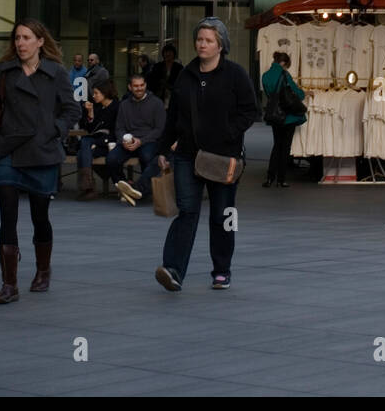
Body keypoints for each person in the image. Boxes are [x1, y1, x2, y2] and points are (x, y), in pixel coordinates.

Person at [0, 19, 78, 303]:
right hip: (8, 152)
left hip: (41, 153)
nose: (21, 43)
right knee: (7, 218)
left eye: (27, 37)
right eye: (17, 38)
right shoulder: (4, 72)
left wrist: (54, 130)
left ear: (40, 42)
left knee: (40, 217)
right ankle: (9, 284)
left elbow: (71, 109)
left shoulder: (57, 73)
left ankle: (43, 270)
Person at [155, 17, 258, 292]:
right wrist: (164, 149)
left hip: (223, 158)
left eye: (208, 40)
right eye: (199, 39)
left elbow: (251, 111)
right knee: (186, 211)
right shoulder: (185, 75)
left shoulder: (235, 74)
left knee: (222, 214)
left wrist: (229, 132)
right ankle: (173, 270)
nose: (202, 44)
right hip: (188, 155)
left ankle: (222, 269)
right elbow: (173, 116)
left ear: (220, 45)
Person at [112, 74, 168, 205]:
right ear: (130, 87)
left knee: (148, 157)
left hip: (148, 141)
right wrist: (124, 141)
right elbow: (119, 128)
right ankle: (126, 187)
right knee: (112, 159)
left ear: (146, 85)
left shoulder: (156, 103)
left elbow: (160, 129)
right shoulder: (124, 105)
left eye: (142, 85)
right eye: (136, 86)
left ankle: (142, 191)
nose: (139, 88)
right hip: (128, 142)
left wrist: (141, 141)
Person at [261, 51, 306, 188]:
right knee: (285, 148)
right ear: (283, 63)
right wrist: (304, 93)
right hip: (288, 117)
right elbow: (296, 93)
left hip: (275, 115)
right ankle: (281, 179)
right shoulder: (284, 75)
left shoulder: (265, 76)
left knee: (276, 146)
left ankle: (270, 178)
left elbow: (270, 94)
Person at [74, 82, 119, 201]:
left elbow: (117, 132)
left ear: (105, 93)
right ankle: (88, 187)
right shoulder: (98, 107)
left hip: (110, 144)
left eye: (96, 93)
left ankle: (88, 189)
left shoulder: (117, 107)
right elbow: (90, 129)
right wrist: (90, 112)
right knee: (84, 147)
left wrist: (97, 143)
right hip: (94, 143)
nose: (94, 96)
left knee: (82, 151)